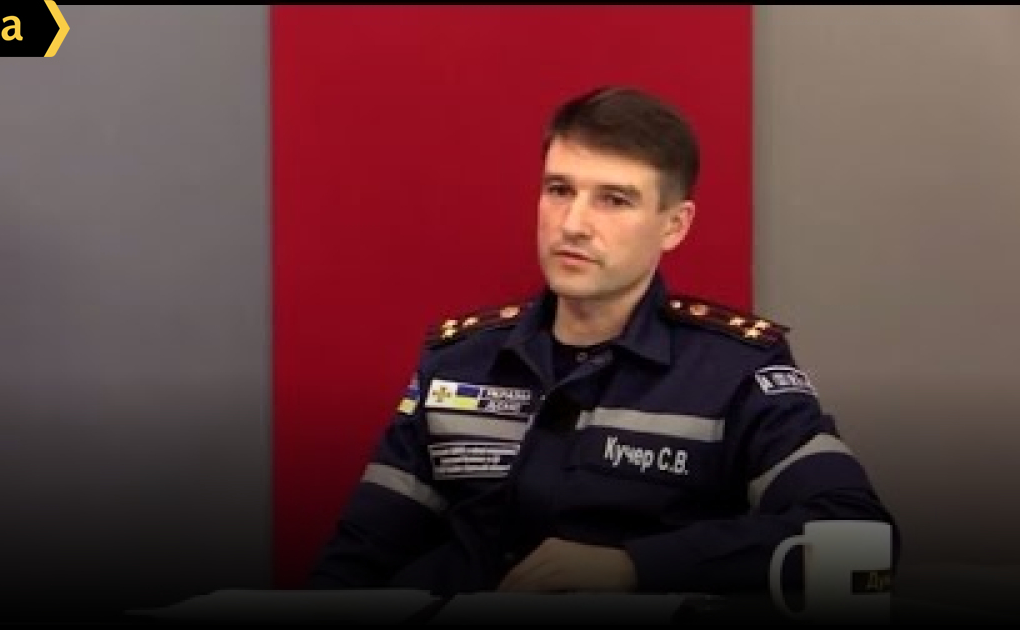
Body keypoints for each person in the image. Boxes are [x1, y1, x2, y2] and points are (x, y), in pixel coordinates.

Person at [306, 86, 899, 597]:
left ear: (675, 225)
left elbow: (860, 542)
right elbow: (356, 561)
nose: (572, 225)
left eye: (614, 200)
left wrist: (633, 568)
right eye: (559, 190)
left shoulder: (734, 372)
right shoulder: (458, 362)